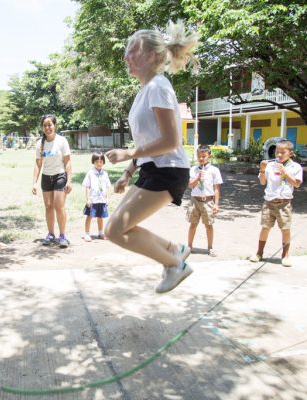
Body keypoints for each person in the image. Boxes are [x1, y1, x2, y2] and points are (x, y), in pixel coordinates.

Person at [105, 21, 198, 293]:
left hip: (168, 170)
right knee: (117, 228)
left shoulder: (158, 86)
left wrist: (129, 153)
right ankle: (175, 249)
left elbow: (171, 141)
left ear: (150, 56)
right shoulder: (145, 90)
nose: (126, 56)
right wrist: (128, 171)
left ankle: (175, 264)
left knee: (114, 230)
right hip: (152, 170)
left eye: (132, 50)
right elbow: (149, 141)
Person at [249, 140, 303, 267]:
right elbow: (262, 182)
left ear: (290, 153)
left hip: (284, 203)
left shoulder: (295, 167)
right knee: (265, 227)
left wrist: (285, 173)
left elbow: (297, 184)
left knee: (285, 229)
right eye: (277, 152)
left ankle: (285, 255)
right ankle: (259, 253)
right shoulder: (270, 165)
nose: (279, 155)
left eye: (282, 152)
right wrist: (262, 170)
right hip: (269, 202)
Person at [32, 114, 72, 248]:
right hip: (46, 177)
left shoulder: (62, 141)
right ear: (42, 127)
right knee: (48, 206)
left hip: (60, 176)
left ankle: (62, 236)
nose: (47, 127)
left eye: (50, 125)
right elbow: (38, 164)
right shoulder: (40, 143)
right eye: (45, 125)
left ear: (55, 125)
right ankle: (50, 234)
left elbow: (67, 162)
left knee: (58, 206)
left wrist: (69, 181)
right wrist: (34, 182)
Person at [186, 144, 223, 256]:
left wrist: (216, 204)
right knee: (193, 224)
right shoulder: (193, 169)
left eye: (204, 156)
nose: (201, 158)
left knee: (208, 225)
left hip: (207, 201)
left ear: (209, 156)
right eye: (199, 156)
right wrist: (198, 178)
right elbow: (190, 185)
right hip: (195, 200)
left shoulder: (214, 170)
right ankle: (189, 245)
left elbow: (216, 189)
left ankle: (210, 247)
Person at [82, 152, 111, 241]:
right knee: (89, 216)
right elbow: (87, 186)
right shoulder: (90, 173)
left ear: (103, 162)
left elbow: (107, 186)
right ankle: (87, 233)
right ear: (93, 162)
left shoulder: (105, 174)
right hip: (92, 199)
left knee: (100, 216)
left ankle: (101, 233)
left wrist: (107, 198)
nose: (99, 163)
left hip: (102, 199)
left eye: (101, 161)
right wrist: (88, 199)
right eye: (96, 161)